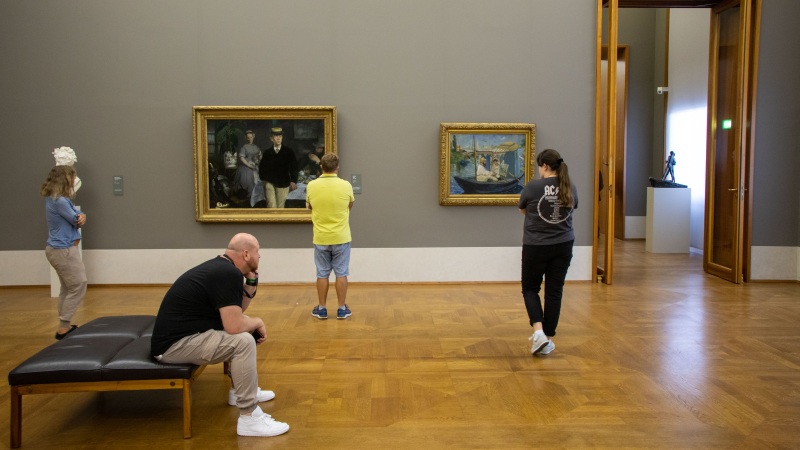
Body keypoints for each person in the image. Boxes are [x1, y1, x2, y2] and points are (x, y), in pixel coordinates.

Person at [150, 233, 289, 437]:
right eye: (257, 252)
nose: (260, 256)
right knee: (242, 341)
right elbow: (234, 325)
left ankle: (239, 392)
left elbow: (237, 310)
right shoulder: (227, 273)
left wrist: (251, 280)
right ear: (246, 254)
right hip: (173, 347)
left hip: (186, 336)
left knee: (244, 329)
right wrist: (258, 322)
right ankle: (249, 417)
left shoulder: (224, 268)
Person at [518, 148, 578, 357]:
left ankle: (539, 333)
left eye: (539, 166)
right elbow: (572, 208)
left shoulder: (533, 187)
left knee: (530, 288)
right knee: (554, 291)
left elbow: (523, 209)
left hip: (536, 245)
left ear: (544, 166)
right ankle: (548, 339)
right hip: (564, 244)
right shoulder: (569, 186)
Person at [41, 164, 87, 340]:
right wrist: (81, 217)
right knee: (79, 284)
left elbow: (77, 214)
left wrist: (81, 215)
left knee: (67, 287)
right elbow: (76, 219)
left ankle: (64, 325)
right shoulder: (59, 201)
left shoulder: (56, 199)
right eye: (72, 177)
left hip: (59, 249)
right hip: (63, 250)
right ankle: (63, 326)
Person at [305, 153, 354, 320]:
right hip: (341, 237)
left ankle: (322, 308)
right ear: (337, 167)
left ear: (321, 167)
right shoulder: (346, 185)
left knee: (322, 274)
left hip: (321, 237)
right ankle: (341, 309)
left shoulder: (312, 185)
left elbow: (309, 206)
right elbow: (350, 205)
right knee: (341, 273)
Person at [258, 127, 298, 208]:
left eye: (280, 136)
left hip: (283, 183)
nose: (278, 138)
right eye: (276, 136)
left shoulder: (289, 151)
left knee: (280, 207)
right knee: (271, 206)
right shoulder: (267, 152)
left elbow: (294, 167)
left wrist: (293, 181)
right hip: (269, 182)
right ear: (271, 138)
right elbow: (261, 168)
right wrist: (265, 180)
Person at [231, 130, 261, 205]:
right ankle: (246, 196)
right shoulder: (244, 147)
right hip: (245, 166)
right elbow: (241, 158)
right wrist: (248, 165)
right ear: (246, 138)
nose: (249, 139)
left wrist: (257, 159)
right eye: (248, 138)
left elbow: (259, 157)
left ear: (253, 137)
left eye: (251, 137)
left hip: (254, 166)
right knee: (247, 180)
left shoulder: (256, 147)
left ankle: (254, 197)